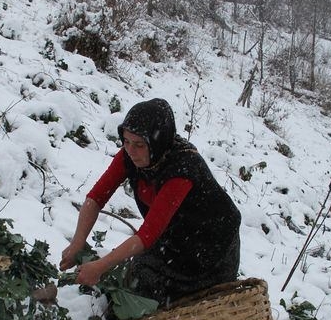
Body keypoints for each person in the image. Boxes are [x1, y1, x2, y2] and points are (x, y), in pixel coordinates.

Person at [60, 98, 241, 306]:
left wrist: (101, 266)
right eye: (126, 141)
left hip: (211, 247)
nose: (130, 150)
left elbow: (148, 234)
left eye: (139, 144)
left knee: (185, 304)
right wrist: (77, 242)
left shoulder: (182, 169)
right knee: (136, 285)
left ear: (157, 142)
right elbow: (96, 197)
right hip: (174, 238)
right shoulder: (131, 154)